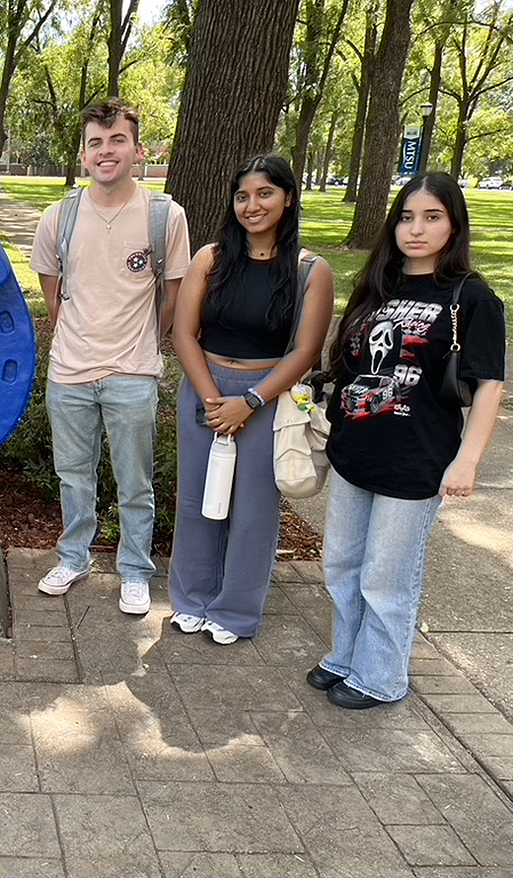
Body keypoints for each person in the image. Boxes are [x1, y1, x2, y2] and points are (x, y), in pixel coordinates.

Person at [307, 173, 504, 708]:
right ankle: (346, 657)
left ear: (454, 224)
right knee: (342, 566)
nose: (416, 229)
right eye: (406, 217)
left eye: (432, 217)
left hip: (417, 462)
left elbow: (489, 385)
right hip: (356, 453)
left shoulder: (471, 297)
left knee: (387, 578)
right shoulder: (379, 288)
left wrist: (467, 462)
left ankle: (381, 676)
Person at [30, 99, 191, 614]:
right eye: (96, 143)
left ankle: (135, 570)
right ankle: (74, 558)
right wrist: (79, 336)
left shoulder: (165, 216)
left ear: (137, 149)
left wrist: (136, 344)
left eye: (117, 140)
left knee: (134, 480)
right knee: (74, 474)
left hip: (133, 373)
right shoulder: (60, 216)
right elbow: (52, 290)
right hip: (70, 374)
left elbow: (171, 296)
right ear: (83, 156)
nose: (106, 151)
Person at [168, 155, 334, 644]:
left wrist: (252, 402)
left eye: (265, 194)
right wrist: (213, 398)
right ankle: (191, 598)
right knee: (198, 499)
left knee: (254, 509)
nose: (252, 205)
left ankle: (236, 611)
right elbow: (183, 333)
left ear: (287, 198)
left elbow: (305, 351)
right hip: (206, 390)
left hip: (270, 398)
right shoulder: (211, 258)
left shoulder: (311, 270)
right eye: (243, 195)